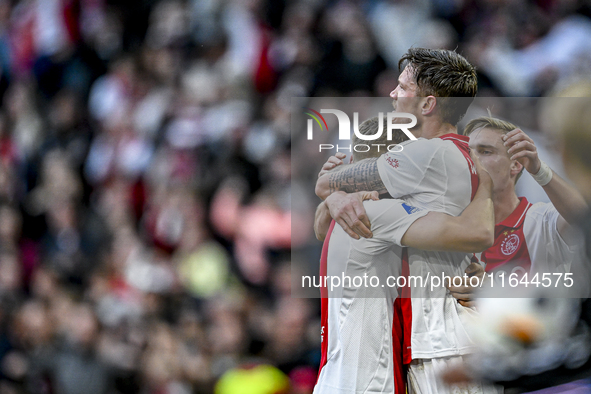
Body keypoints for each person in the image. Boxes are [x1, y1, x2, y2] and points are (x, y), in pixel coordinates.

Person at [315, 48, 501, 393]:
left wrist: (338, 191)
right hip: (446, 336)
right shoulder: (467, 156)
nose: (392, 95)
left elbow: (325, 185)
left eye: (402, 88)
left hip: (440, 341)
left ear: (428, 104)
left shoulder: (426, 153)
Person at [448, 116, 588, 306]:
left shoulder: (540, 221)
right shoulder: (449, 229)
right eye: (467, 152)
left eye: (485, 151)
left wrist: (539, 170)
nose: (472, 160)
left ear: (515, 164)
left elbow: (583, 218)